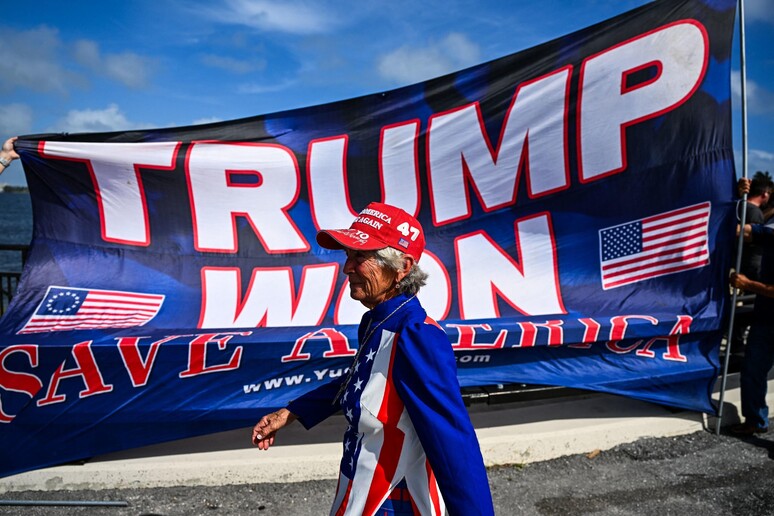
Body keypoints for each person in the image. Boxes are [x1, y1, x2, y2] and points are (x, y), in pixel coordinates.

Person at [251, 202, 495, 515]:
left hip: (395, 500)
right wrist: (290, 413)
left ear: (402, 267)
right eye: (348, 255)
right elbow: (361, 380)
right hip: (358, 490)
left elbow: (451, 437)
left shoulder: (417, 335)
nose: (346, 268)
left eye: (360, 257)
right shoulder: (377, 320)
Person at [730, 178, 774, 436]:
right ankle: (755, 421)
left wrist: (748, 283)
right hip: (765, 318)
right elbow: (740, 231)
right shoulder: (769, 228)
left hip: (766, 310)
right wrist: (737, 199)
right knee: (752, 370)